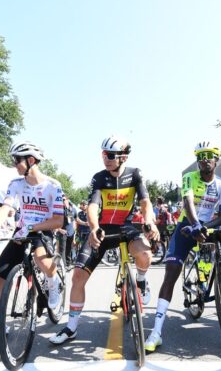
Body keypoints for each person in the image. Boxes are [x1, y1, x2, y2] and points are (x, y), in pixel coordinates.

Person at [0, 141, 64, 358]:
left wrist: (33, 226)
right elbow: (6, 208)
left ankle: (54, 283)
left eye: (17, 160)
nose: (14, 164)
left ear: (31, 161)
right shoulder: (16, 184)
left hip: (43, 231)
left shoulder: (53, 186)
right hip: (21, 232)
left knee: (41, 259)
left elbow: (58, 220)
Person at [49, 135, 159, 345]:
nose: (105, 159)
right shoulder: (99, 177)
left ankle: (142, 281)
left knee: (145, 252)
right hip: (103, 230)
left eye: (110, 155)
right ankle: (71, 327)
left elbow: (145, 201)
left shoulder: (135, 174)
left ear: (123, 157)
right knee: (78, 276)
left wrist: (149, 221)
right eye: (103, 154)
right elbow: (92, 205)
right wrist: (94, 227)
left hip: (126, 228)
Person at [144, 141, 221, 352]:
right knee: (172, 273)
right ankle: (156, 331)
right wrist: (195, 226)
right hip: (187, 225)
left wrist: (205, 227)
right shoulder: (189, 178)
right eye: (201, 156)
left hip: (209, 224)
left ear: (216, 159)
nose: (204, 159)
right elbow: (188, 203)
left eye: (209, 155)